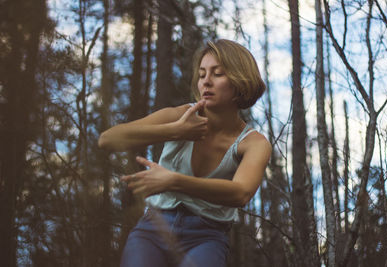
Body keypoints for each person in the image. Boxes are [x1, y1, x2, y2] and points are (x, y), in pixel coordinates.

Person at [98, 39, 272, 267]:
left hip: (207, 237)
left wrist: (173, 181)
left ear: (240, 82)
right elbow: (107, 139)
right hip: (153, 228)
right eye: (201, 75)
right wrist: (174, 130)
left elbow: (240, 193)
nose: (206, 82)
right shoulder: (180, 115)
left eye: (217, 74)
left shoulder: (254, 143)